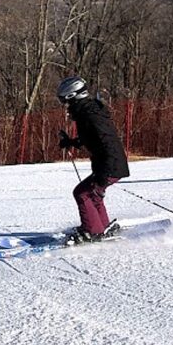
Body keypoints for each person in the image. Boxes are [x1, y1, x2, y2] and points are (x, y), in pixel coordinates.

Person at [56, 76, 130, 244]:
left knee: (82, 193)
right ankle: (100, 226)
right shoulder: (87, 112)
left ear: (72, 96)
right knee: (94, 195)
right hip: (109, 163)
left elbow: (106, 139)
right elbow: (92, 137)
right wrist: (72, 142)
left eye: (64, 101)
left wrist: (105, 171)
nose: (65, 106)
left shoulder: (89, 114)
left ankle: (94, 231)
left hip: (109, 164)